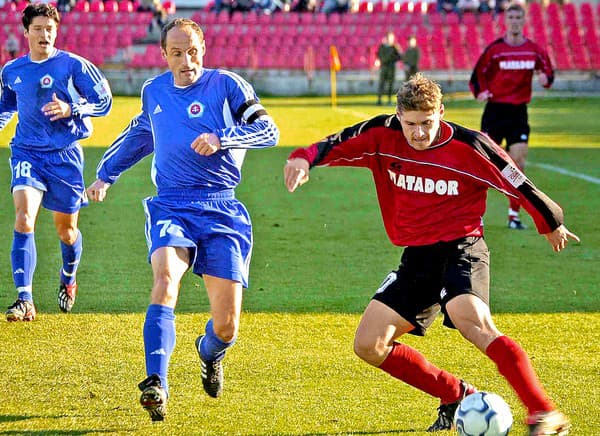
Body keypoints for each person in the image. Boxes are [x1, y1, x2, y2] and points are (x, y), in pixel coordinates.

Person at [283, 73, 577, 435]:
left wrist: (549, 220)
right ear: (398, 116)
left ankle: (544, 413)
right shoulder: (382, 135)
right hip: (418, 258)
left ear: (441, 111)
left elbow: (513, 178)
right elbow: (337, 141)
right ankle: (455, 392)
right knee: (369, 345)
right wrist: (302, 159)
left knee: (471, 320)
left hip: (462, 248)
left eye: (427, 123)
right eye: (411, 125)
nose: (419, 133)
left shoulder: (470, 146)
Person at [86, 18, 279, 421]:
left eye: (192, 51)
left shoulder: (227, 84)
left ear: (202, 48)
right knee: (165, 279)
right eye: (177, 52)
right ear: (165, 55)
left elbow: (268, 131)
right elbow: (143, 132)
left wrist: (222, 137)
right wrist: (105, 174)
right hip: (171, 205)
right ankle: (156, 382)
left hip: (221, 209)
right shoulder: (154, 91)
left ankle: (209, 353)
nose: (186, 59)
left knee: (226, 327)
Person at [0, 3, 113, 322]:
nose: (44, 35)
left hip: (65, 157)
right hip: (26, 153)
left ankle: (68, 275)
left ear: (56, 31)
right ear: (26, 33)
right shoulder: (12, 71)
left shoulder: (74, 65)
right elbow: (6, 108)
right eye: (38, 29)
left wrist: (71, 109)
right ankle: (25, 299)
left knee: (67, 232)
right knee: (23, 218)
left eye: (50, 29)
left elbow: (104, 102)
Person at [470, 3, 554, 230]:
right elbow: (478, 75)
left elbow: (547, 70)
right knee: (484, 165)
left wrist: (546, 80)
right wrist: (481, 92)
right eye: (512, 17)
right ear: (506, 21)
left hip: (518, 113)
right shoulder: (495, 50)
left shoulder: (533, 50)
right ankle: (474, 216)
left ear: (523, 20)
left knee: (518, 164)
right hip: (495, 111)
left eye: (519, 17)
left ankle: (513, 216)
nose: (515, 20)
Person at [376, 31, 402, 106]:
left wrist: (392, 59)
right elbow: (378, 54)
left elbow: (400, 56)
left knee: (390, 84)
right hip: (384, 67)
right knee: (381, 84)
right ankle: (379, 100)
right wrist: (383, 60)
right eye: (389, 38)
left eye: (391, 38)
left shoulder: (395, 47)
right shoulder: (382, 46)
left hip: (391, 68)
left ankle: (389, 100)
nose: (390, 39)